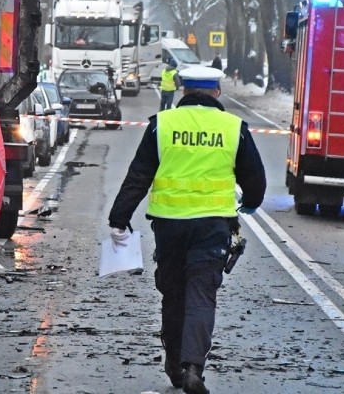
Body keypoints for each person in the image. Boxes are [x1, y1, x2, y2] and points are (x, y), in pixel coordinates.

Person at [108, 66, 266, 394]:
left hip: (169, 227)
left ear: (182, 91)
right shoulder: (233, 128)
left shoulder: (162, 124)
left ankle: (173, 362)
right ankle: (193, 367)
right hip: (212, 227)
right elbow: (254, 178)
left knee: (174, 293)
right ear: (217, 92)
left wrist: (119, 218)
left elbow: (139, 175)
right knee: (201, 294)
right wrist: (249, 203)